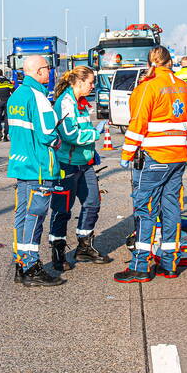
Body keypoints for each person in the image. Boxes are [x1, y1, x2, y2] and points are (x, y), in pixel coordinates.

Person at [116, 46, 187, 283]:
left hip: (154, 157)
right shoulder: (184, 87)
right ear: (170, 62)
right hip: (178, 158)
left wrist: (127, 153)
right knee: (171, 208)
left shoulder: (147, 87)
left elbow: (137, 122)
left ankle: (140, 265)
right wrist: (186, 145)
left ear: (150, 62)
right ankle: (169, 263)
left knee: (145, 210)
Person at [7, 55, 65, 287]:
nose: (50, 72)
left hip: (22, 165)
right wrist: (58, 141)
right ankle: (31, 266)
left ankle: (21, 262)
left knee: (22, 217)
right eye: (48, 68)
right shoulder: (38, 96)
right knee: (35, 218)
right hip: (40, 168)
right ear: (40, 71)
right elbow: (47, 134)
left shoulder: (16, 96)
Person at [47, 66, 112, 270]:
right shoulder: (65, 103)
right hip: (66, 164)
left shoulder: (81, 103)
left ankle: (84, 247)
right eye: (91, 82)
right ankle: (58, 253)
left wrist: (92, 150)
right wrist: (94, 135)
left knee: (92, 202)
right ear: (78, 82)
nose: (93, 86)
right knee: (62, 210)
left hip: (85, 163)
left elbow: (82, 129)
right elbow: (70, 135)